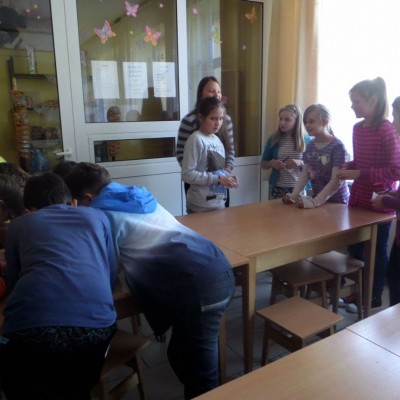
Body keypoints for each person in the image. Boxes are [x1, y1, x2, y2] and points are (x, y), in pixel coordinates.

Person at [64, 162, 235, 400]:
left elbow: (109, 267)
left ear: (86, 198)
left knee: (201, 377)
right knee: (180, 355)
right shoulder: (136, 195)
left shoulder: (101, 214)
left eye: (76, 204)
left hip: (200, 287)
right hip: (217, 267)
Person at [0, 173, 118, 400]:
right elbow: (111, 272)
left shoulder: (18, 225)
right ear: (73, 202)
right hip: (96, 331)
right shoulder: (97, 216)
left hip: (29, 331)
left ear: (28, 210)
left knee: (19, 382)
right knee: (75, 387)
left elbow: (14, 282)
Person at [337, 77, 400, 311]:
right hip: (357, 199)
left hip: (379, 202)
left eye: (357, 101)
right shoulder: (357, 129)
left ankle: (372, 297)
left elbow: (395, 170)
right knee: (355, 249)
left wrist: (359, 173)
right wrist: (348, 166)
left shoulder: (387, 130)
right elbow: (361, 162)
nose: (352, 106)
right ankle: (357, 293)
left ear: (373, 101)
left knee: (375, 252)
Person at [176, 76, 235, 205]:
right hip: (198, 187)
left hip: (221, 183)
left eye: (219, 91)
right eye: (211, 91)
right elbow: (181, 154)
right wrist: (200, 174)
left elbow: (230, 150)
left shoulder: (226, 120)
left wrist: (223, 175)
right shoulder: (190, 121)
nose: (216, 95)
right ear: (201, 94)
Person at [282, 103, 349, 208]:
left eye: (311, 121)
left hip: (337, 202)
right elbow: (305, 173)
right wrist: (294, 195)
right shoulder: (310, 146)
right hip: (318, 201)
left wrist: (315, 202)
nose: (307, 125)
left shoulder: (337, 147)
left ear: (325, 121)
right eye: (305, 122)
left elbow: (336, 181)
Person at [181, 97, 239, 213]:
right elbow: (187, 175)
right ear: (201, 117)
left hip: (219, 203)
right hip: (199, 206)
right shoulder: (196, 139)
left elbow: (218, 171)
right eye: (213, 118)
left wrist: (228, 178)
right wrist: (218, 179)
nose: (218, 123)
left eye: (221, 119)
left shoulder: (217, 140)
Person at [261, 104, 310, 199]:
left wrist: (300, 163)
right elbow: (263, 164)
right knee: (274, 209)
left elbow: (313, 167)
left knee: (297, 209)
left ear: (297, 121)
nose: (282, 123)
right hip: (277, 187)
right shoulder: (273, 139)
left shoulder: (307, 140)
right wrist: (272, 163)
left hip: (299, 188)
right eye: (280, 119)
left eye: (287, 120)